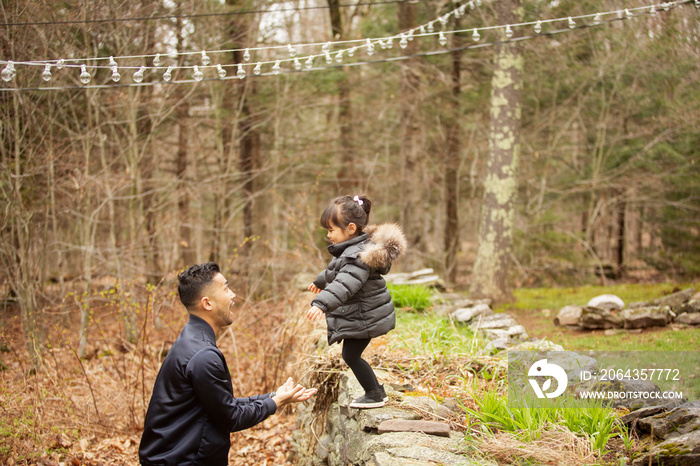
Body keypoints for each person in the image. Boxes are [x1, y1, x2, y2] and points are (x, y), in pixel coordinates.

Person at [139, 262, 316, 466]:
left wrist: (272, 397)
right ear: (207, 303)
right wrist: (275, 403)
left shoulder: (191, 339)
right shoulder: (203, 355)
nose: (233, 295)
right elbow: (230, 417)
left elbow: (220, 405)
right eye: (226, 288)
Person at [306, 195, 407, 408]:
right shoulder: (352, 250)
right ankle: (375, 391)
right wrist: (320, 281)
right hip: (364, 314)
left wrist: (321, 303)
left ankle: (375, 394)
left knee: (351, 355)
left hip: (366, 316)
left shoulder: (357, 256)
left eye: (331, 229)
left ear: (351, 228)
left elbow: (344, 283)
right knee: (350, 355)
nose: (328, 234)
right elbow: (336, 272)